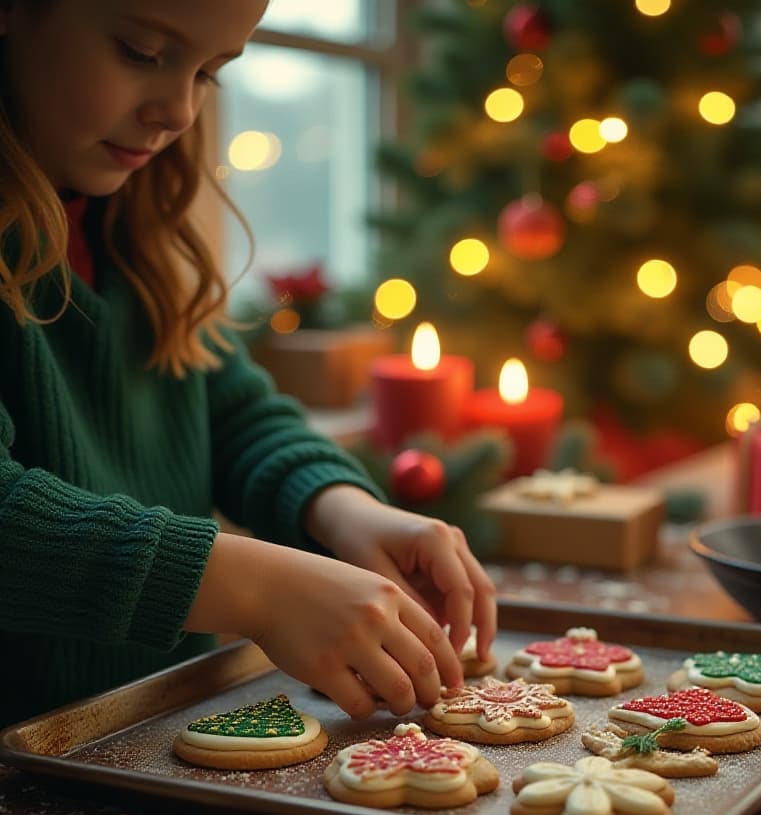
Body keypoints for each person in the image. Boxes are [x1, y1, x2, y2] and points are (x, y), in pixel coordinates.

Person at [0, 0, 497, 728]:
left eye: (209, 73)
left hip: (142, 736)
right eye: (142, 52)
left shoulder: (136, 232)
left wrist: (345, 512)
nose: (177, 110)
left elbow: (237, 416)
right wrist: (257, 589)